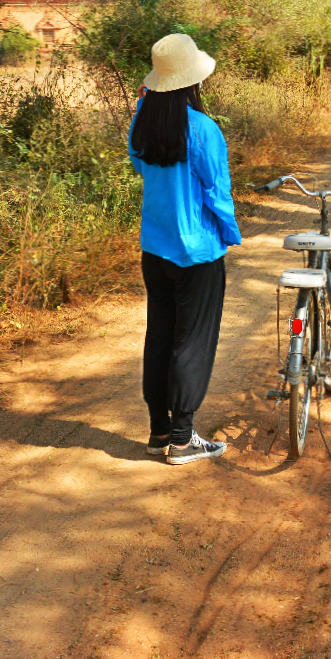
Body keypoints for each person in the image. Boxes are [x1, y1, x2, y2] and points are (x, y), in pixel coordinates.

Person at [128, 33, 242, 465]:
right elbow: (216, 191)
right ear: (193, 81)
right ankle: (182, 439)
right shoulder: (203, 129)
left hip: (155, 248)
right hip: (197, 252)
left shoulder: (143, 122)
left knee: (159, 336)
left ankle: (159, 433)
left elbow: (140, 163)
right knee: (191, 341)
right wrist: (230, 232)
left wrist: (143, 103)